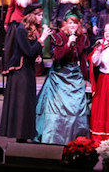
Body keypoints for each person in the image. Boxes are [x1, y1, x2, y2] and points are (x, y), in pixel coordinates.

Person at [35, 13, 90, 144]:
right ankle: (53, 137)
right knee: (55, 108)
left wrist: (85, 78)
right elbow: (58, 56)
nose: (72, 26)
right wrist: (69, 43)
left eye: (75, 23)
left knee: (76, 107)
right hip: (60, 75)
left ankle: (75, 137)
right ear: (65, 24)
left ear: (79, 24)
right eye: (70, 23)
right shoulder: (59, 36)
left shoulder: (82, 38)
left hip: (75, 75)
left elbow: (82, 59)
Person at [0, 3, 50, 142]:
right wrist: (42, 39)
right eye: (39, 15)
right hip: (19, 72)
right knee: (21, 103)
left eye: (41, 15)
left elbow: (33, 50)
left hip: (27, 70)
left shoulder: (33, 29)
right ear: (32, 15)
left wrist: (38, 55)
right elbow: (27, 51)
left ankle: (25, 135)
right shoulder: (21, 29)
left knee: (28, 103)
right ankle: (20, 136)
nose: (41, 18)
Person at [4, 0, 38, 67]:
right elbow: (10, 8)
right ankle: (12, 64)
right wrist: (6, 22)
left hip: (28, 22)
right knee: (13, 45)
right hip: (16, 21)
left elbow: (35, 9)